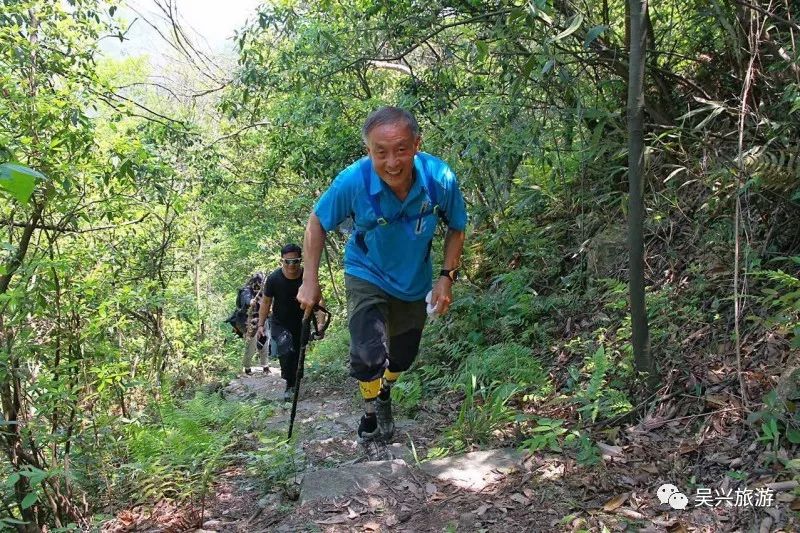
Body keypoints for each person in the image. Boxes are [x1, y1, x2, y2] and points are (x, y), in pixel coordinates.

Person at [296, 106, 467, 443]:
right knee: (368, 352)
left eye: (401, 149)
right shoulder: (353, 181)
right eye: (381, 152)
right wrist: (309, 279)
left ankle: (385, 391)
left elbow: (457, 227)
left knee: (402, 357)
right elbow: (317, 221)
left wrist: (446, 276)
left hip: (412, 280)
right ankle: (371, 411)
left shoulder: (439, 179)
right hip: (366, 270)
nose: (392, 162)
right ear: (368, 151)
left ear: (417, 144)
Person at [256, 243, 309, 402]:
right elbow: (265, 303)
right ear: (282, 261)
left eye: (295, 261)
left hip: (301, 322)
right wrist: (260, 325)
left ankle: (295, 381)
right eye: (287, 261)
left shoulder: (307, 277)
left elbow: (318, 300)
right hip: (280, 322)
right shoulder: (273, 279)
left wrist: (320, 323)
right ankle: (289, 385)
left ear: (300, 261)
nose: (291, 265)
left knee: (298, 354)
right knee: (286, 351)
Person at [242, 272, 268, 375]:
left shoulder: (264, 291)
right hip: (250, 321)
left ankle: (265, 366)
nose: (257, 285)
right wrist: (251, 301)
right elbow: (246, 299)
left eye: (259, 283)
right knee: (251, 345)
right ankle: (247, 367)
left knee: (265, 341)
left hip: (263, 319)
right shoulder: (246, 291)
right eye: (256, 283)